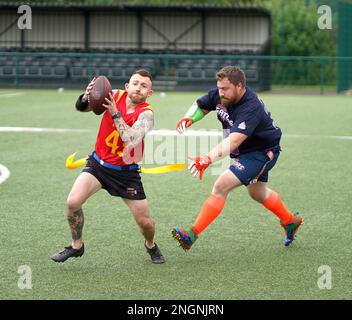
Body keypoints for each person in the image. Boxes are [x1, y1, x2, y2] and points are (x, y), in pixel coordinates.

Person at [172, 66, 303, 251]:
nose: (221, 93)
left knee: (220, 186)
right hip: (246, 152)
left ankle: (191, 235)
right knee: (257, 193)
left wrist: (207, 159)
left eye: (225, 89)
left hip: (262, 152)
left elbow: (233, 141)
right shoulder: (222, 94)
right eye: (219, 88)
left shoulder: (251, 107)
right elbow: (201, 105)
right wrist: (189, 119)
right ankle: (290, 221)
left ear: (239, 86)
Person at [51, 69, 165, 264]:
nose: (139, 88)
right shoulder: (114, 95)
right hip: (98, 166)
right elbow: (82, 108)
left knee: (145, 222)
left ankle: (150, 245)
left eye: (144, 86)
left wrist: (114, 112)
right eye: (135, 83)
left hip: (125, 174)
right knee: (72, 203)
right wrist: (87, 96)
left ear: (150, 93)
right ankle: (77, 246)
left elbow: (130, 139)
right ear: (128, 86)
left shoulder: (146, 114)